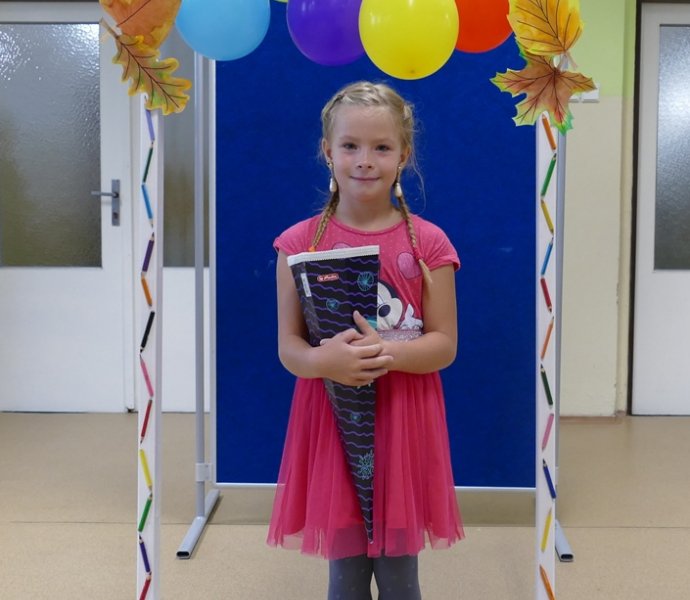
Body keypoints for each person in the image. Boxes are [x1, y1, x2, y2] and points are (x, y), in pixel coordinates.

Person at [267, 80, 464, 599]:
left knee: (400, 577)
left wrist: (387, 353)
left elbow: (444, 343)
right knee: (346, 576)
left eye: (381, 147)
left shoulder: (429, 243)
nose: (365, 161)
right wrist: (324, 361)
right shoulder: (298, 244)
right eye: (350, 145)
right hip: (332, 424)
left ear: (404, 155)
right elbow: (290, 348)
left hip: (403, 421)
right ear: (327, 151)